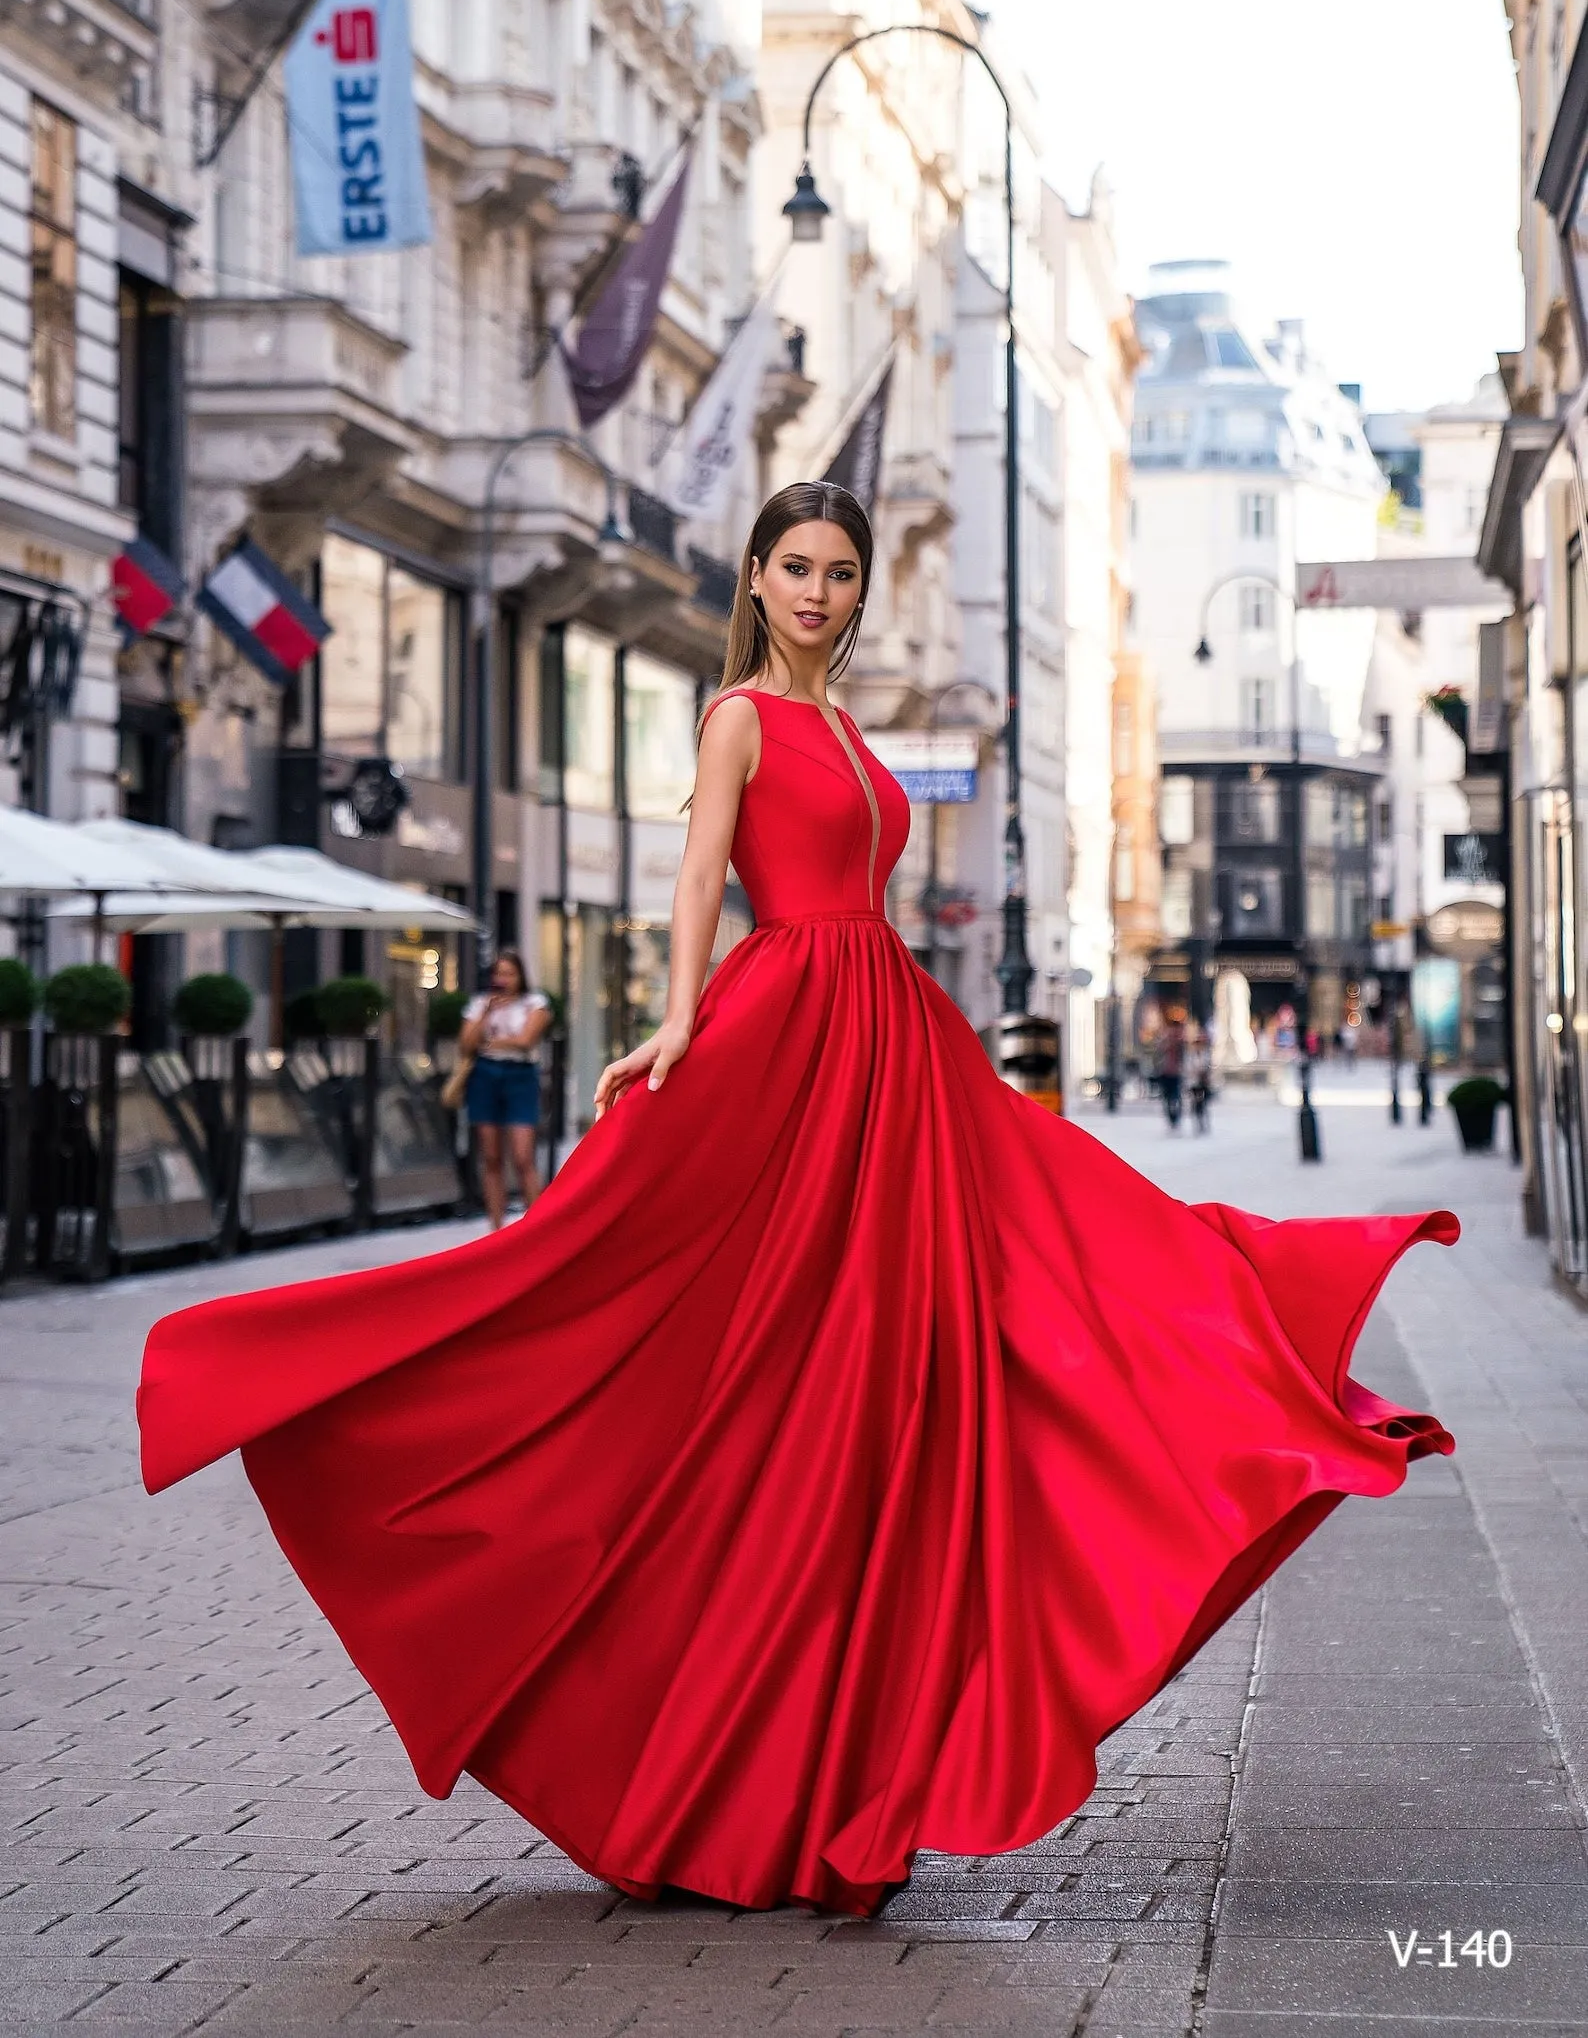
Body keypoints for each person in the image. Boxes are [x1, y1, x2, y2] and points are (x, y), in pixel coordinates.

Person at [136, 481, 1457, 1921]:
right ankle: (680, 1731)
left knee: (1007, 1298)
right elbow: (701, 877)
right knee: (713, 1344)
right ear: (755, 580)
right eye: (796, 567)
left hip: (890, 1040)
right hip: (792, 1029)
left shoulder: (845, 724)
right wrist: (676, 1025)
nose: (819, 590)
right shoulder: (741, 716)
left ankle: (834, 1758)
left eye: (840, 570)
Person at [459, 950, 553, 1231]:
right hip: (485, 1076)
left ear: (521, 975)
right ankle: (495, 1228)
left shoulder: (534, 1003)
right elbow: (466, 1043)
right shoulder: (480, 1004)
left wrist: (489, 1043)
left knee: (523, 1156)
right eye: (499, 973)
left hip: (520, 1076)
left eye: (510, 973)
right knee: (491, 1156)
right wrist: (488, 1012)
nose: (504, 979)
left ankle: (535, 1227)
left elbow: (526, 1040)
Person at [1156, 1010, 1186, 1131]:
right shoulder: (1166, 1039)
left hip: (1174, 1072)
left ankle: (1175, 1116)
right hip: (1167, 1071)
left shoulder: (1180, 1041)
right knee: (1169, 1096)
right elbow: (1158, 1052)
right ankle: (1173, 1116)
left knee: (1174, 1096)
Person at [1187, 1021, 1213, 1135]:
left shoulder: (1205, 1055)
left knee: (1203, 1103)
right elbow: (1187, 1068)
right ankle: (1197, 1121)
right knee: (1195, 1103)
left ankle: (1203, 1121)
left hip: (1203, 1082)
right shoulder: (1190, 1056)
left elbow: (1209, 1067)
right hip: (1194, 1082)